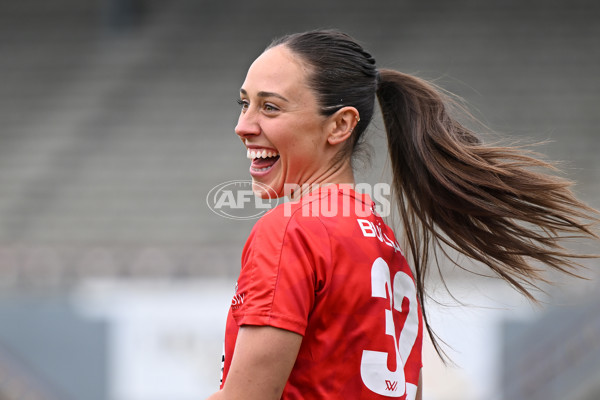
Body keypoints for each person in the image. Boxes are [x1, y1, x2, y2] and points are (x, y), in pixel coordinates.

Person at [207, 30, 599, 400]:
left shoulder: (292, 229)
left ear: (341, 125)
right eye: (245, 104)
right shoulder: (380, 237)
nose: (243, 126)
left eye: (270, 107)